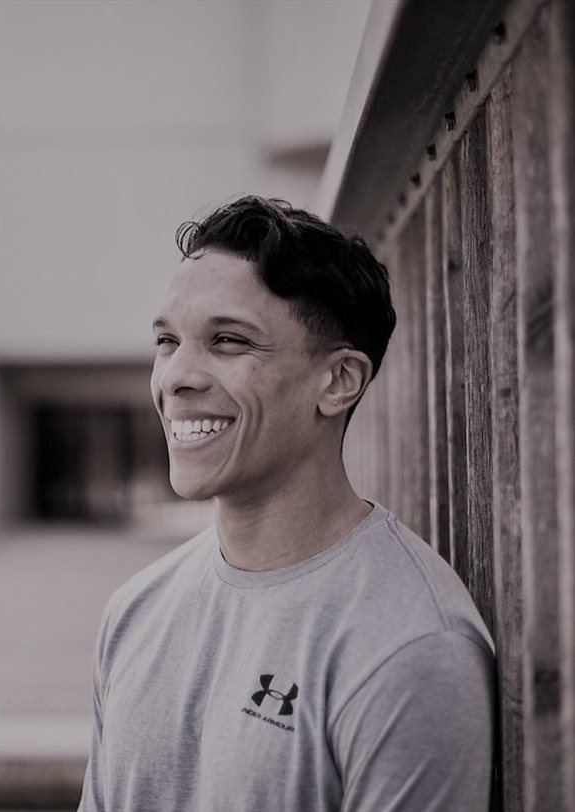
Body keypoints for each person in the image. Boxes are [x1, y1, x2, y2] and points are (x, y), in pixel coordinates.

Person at [78, 196, 495, 812]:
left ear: (339, 381)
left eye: (228, 341)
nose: (175, 377)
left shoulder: (413, 647)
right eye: (167, 341)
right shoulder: (136, 609)